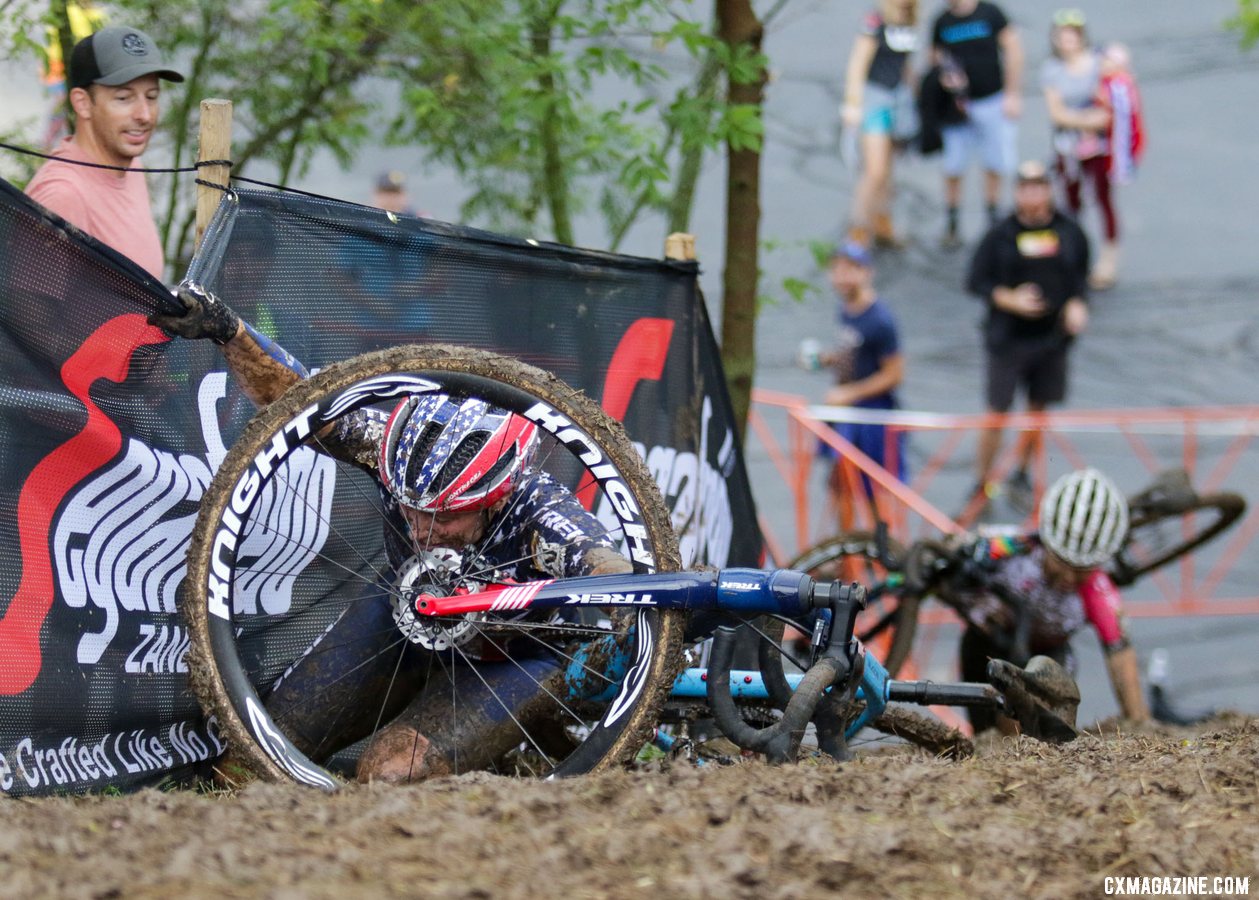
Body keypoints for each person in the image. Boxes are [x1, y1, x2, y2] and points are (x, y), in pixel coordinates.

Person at [148, 283, 632, 782]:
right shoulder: (388, 450)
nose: (424, 529)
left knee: (388, 775)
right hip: (402, 618)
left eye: (446, 517)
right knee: (250, 763)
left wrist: (633, 608)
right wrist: (228, 331)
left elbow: (609, 568)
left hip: (510, 661)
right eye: (411, 509)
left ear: (497, 497)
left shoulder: (541, 509)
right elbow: (295, 398)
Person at [938, 468, 1150, 732]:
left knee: (1031, 736)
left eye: (1082, 570)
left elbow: (1121, 656)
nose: (1069, 577)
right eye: (1061, 563)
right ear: (1047, 542)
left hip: (1051, 660)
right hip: (987, 649)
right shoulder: (1013, 548)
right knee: (985, 737)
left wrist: (1141, 724)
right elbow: (941, 565)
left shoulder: (1098, 590)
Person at [966, 159, 1089, 507]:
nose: (1032, 195)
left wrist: (1078, 304)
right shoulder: (1000, 235)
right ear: (1017, 193)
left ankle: (1021, 471)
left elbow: (1080, 274)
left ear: (1048, 191)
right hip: (1008, 339)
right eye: (1025, 187)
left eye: (1039, 187)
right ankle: (982, 480)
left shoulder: (1069, 232)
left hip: (1051, 340)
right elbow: (975, 280)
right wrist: (1008, 298)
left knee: (1037, 410)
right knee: (996, 412)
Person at [25, 25, 184, 280]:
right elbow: (26, 318)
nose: (144, 115)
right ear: (83, 103)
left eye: (152, 97)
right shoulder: (62, 196)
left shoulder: (132, 167)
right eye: (124, 98)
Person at [811, 241, 906, 518]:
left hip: (871, 416)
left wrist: (850, 393)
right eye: (837, 270)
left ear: (867, 273)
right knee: (840, 484)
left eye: (851, 269)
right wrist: (830, 359)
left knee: (871, 489)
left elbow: (894, 373)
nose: (843, 276)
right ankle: (847, 554)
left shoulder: (880, 320)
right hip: (846, 414)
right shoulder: (846, 310)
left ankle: (881, 552)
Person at [1041, 9, 1123, 292]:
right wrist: (1085, 119)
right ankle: (1075, 255)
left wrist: (1086, 118)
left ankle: (1109, 259)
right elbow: (1057, 113)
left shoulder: (1098, 63)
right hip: (1069, 146)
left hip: (1096, 146)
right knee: (1071, 201)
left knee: (1103, 198)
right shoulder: (1052, 70)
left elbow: (1112, 101)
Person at [930, 0, 1024, 248]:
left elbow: (1013, 51)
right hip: (959, 106)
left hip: (992, 99)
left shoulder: (990, 13)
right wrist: (946, 78)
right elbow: (936, 57)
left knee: (995, 161)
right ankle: (952, 222)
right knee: (953, 165)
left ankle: (992, 218)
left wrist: (1013, 94)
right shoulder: (942, 21)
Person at [842, 0, 920, 249]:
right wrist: (853, 103)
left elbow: (905, 63)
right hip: (875, 98)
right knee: (874, 171)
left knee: (888, 170)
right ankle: (858, 227)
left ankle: (881, 220)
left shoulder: (908, 20)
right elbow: (858, 62)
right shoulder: (875, 21)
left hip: (899, 98)